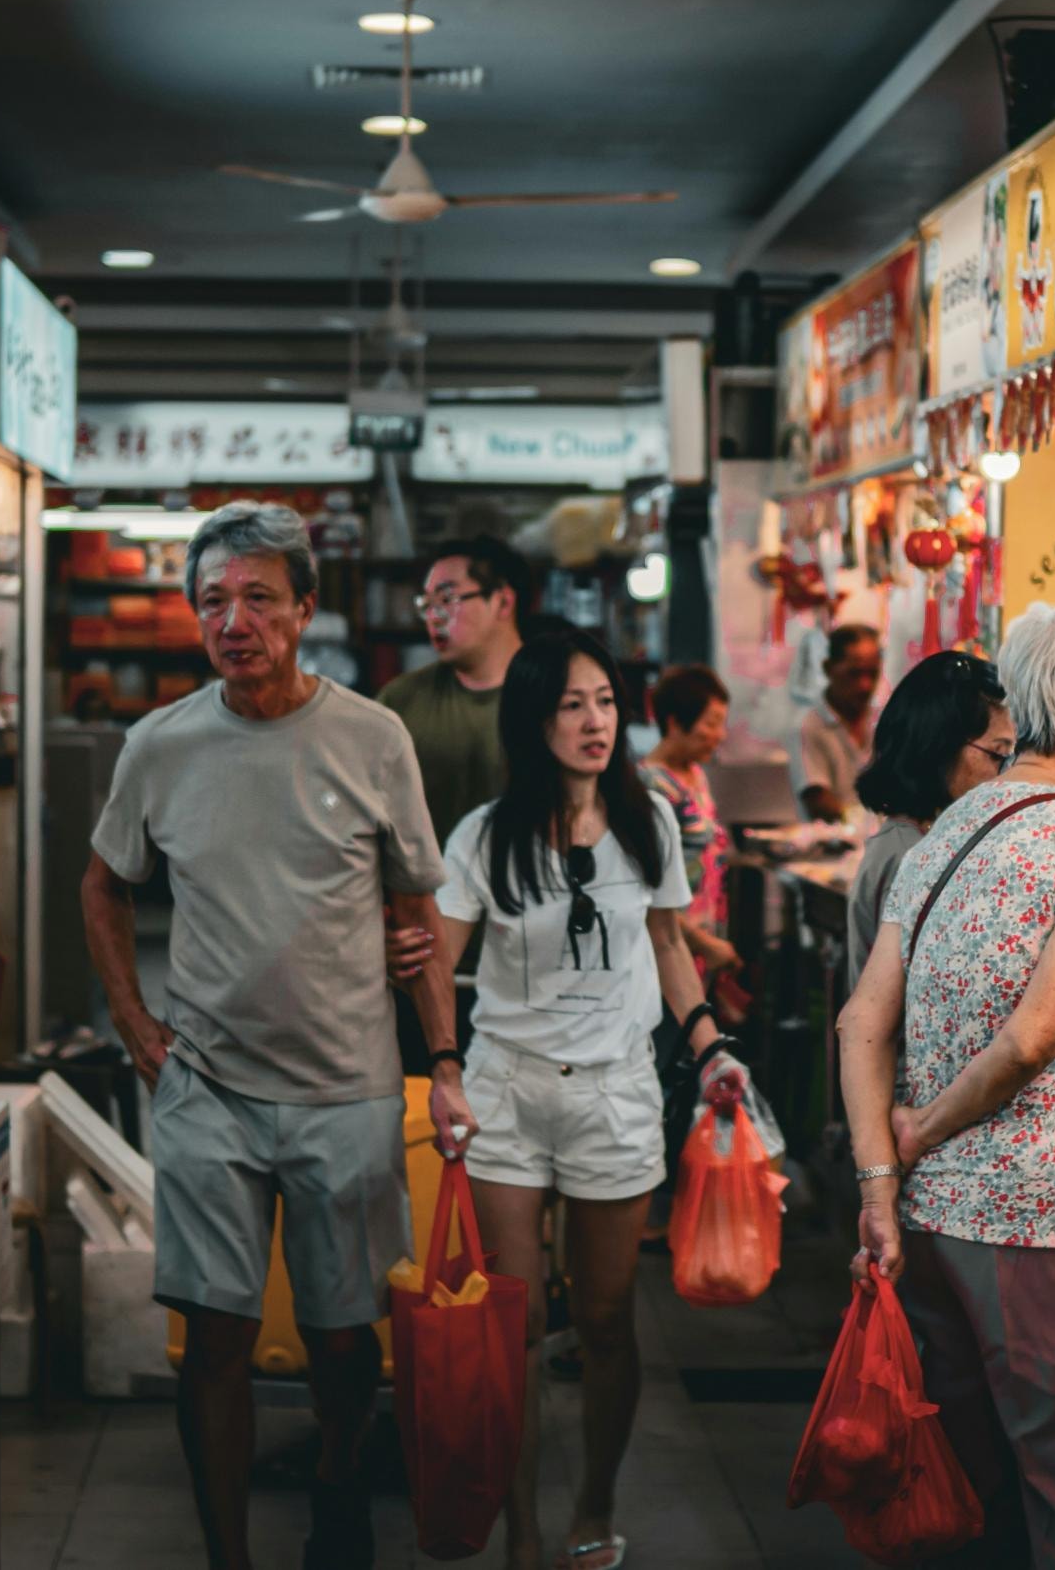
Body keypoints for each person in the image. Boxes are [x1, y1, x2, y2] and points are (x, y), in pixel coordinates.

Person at [80, 501, 442, 1570]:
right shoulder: (160, 745)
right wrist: (134, 1021)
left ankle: (336, 1476)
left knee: (342, 1337)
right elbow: (103, 885)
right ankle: (227, 1554)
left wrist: (446, 1055)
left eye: (256, 599)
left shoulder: (372, 736)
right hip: (207, 1085)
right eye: (211, 602)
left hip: (347, 1087)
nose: (233, 621)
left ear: (303, 609)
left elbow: (412, 902)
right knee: (214, 1337)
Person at [836, 600, 1055, 1568]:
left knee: (974, 1489)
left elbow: (862, 1024)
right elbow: (1028, 1041)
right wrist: (920, 1132)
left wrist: (881, 1187)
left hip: (935, 1227)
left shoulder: (938, 835)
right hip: (1045, 1225)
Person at [413, 628, 747, 1570]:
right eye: (571, 703)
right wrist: (443, 1067)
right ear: (533, 717)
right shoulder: (484, 832)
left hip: (615, 1093)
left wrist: (709, 1042)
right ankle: (517, 1525)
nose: (594, 720)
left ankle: (594, 1502)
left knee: (603, 1319)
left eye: (604, 700)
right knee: (511, 1324)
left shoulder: (646, 823)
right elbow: (436, 957)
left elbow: (670, 945)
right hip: (507, 1091)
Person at [846, 650, 1016, 987]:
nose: (1004, 777)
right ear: (940, 746)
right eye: (998, 754)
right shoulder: (910, 856)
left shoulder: (920, 840)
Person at [381, 535, 532, 846]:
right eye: (426, 604)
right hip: (426, 892)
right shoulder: (400, 702)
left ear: (503, 602)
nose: (434, 616)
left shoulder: (556, 697)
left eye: (447, 599)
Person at [642, 665, 748, 1019]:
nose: (719, 735)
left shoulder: (696, 775)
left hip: (700, 950)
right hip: (668, 950)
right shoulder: (651, 788)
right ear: (674, 722)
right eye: (711, 722)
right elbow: (646, 893)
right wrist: (705, 944)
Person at [793, 623, 882, 822]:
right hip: (830, 847)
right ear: (828, 669)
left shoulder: (884, 718)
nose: (865, 685)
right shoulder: (809, 725)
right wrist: (861, 820)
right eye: (854, 673)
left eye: (872, 674)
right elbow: (817, 799)